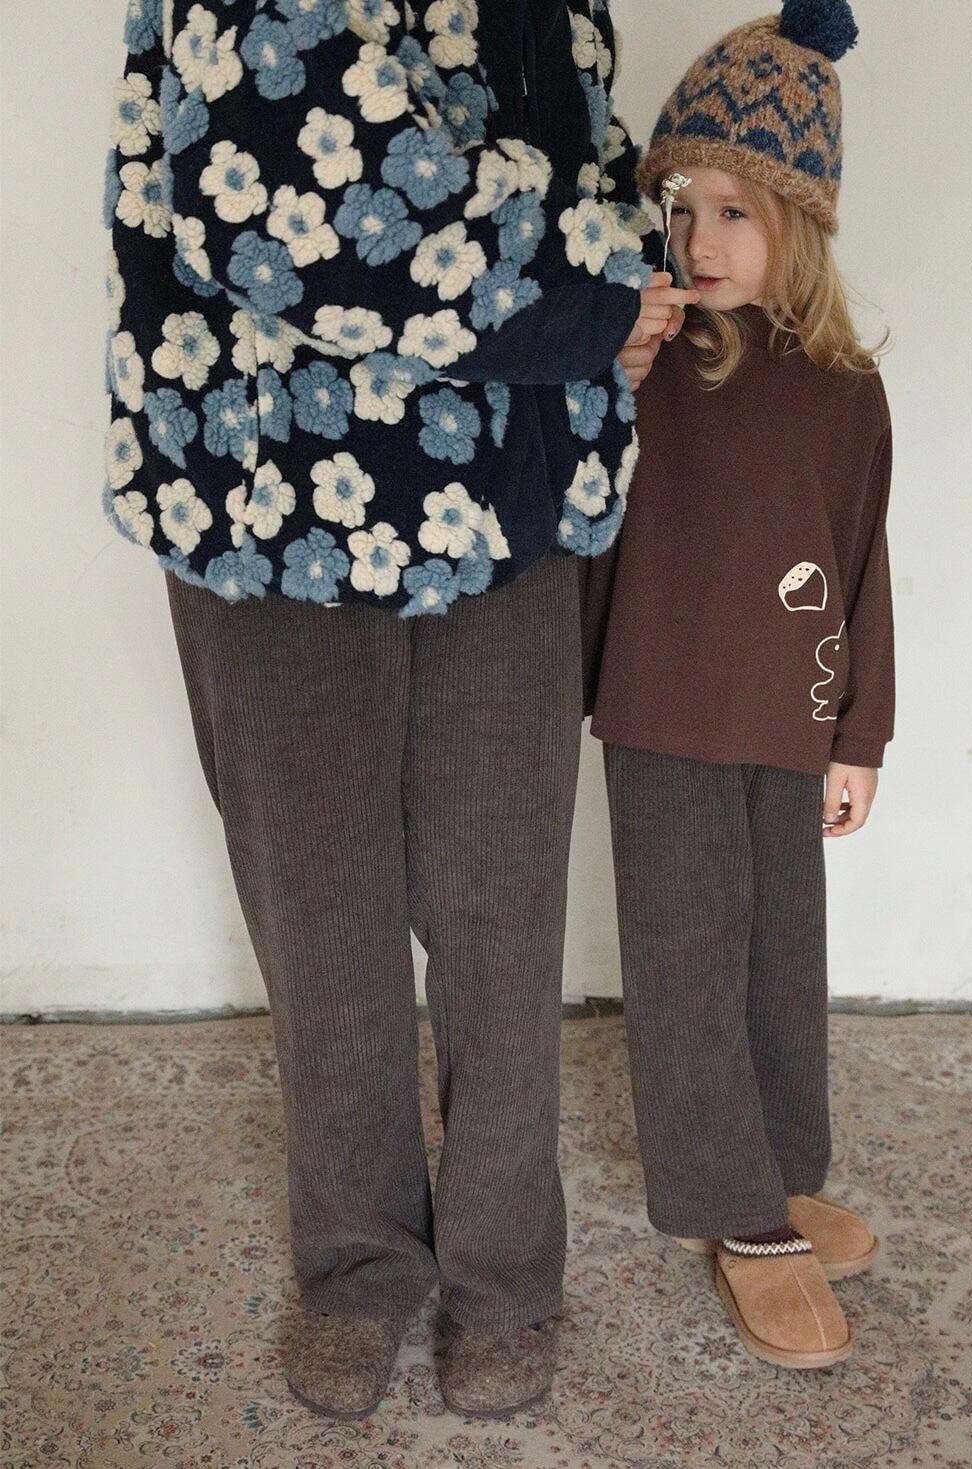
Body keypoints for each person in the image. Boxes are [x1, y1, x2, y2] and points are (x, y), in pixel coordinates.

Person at [103, 0, 692, 1420]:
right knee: (326, 916)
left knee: (503, 907)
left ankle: (504, 1274)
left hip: (507, 498)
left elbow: (576, 138)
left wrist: (626, 284)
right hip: (274, 502)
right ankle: (358, 1264)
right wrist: (597, 304)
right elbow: (291, 199)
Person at [582, 0, 893, 1369]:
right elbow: (582, 517)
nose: (698, 240)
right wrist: (611, 376)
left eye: (733, 213)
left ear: (798, 225)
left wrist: (861, 735)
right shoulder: (650, 369)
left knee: (780, 951)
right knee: (688, 959)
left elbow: (863, 563)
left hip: (787, 715)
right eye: (683, 209)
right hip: (661, 710)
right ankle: (733, 1209)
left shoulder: (845, 390)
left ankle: (778, 1166)